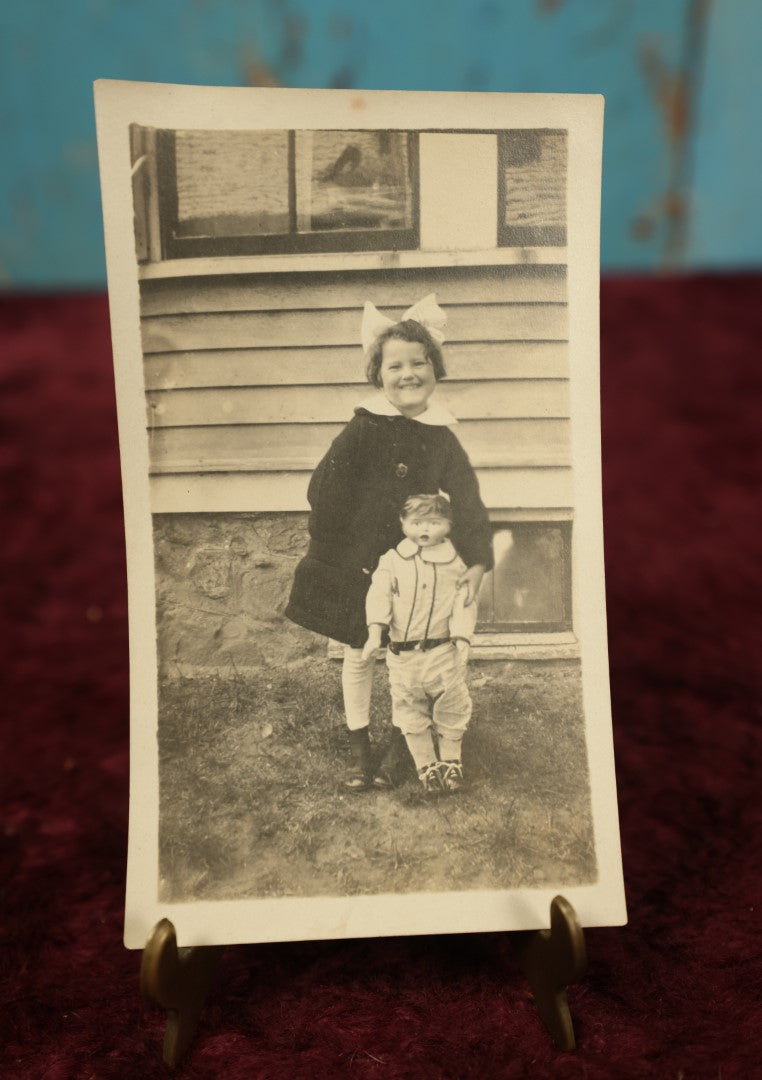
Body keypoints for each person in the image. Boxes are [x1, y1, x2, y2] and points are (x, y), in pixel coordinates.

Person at [284, 294, 493, 791]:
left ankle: (402, 746)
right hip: (359, 562)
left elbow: (465, 498)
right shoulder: (363, 427)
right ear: (378, 375)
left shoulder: (440, 436)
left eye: (418, 363)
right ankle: (360, 749)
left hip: (412, 569)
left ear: (434, 369)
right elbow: (323, 488)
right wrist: (344, 545)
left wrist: (478, 559)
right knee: (359, 653)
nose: (408, 374)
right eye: (394, 365)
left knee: (408, 657)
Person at [361, 494, 476, 792]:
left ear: (448, 525)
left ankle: (452, 765)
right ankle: (427, 767)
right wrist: (376, 631)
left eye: (434, 523)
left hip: (442, 651)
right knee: (409, 707)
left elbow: (463, 602)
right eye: (416, 523)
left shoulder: (456, 563)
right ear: (403, 523)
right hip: (403, 654)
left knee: (451, 703)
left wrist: (462, 638)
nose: (424, 529)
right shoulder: (392, 560)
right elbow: (379, 595)